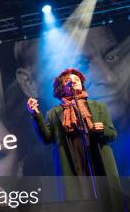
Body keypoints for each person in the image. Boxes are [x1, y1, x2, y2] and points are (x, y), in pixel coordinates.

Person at [26, 68, 121, 200]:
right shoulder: (54, 113)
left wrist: (102, 129)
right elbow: (47, 138)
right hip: (72, 159)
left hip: (96, 156)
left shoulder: (99, 107)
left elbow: (112, 134)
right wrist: (36, 115)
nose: (74, 81)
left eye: (76, 80)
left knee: (104, 196)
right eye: (68, 81)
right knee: (79, 197)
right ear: (61, 88)